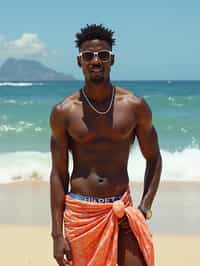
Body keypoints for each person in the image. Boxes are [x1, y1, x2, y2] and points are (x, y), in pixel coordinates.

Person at [50, 24, 162, 266]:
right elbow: (58, 174)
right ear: (79, 62)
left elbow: (154, 157)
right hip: (82, 215)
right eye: (88, 56)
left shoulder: (134, 107)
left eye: (103, 55)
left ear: (112, 60)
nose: (96, 61)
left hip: (120, 210)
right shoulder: (64, 112)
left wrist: (145, 207)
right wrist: (57, 234)